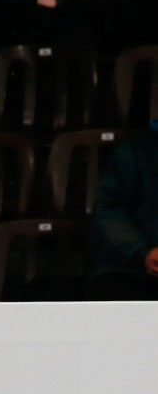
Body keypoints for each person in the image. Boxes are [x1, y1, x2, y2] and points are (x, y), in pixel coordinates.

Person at [85, 122, 158, 300]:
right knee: (111, 285)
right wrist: (142, 252)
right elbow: (109, 210)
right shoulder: (134, 152)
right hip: (138, 272)